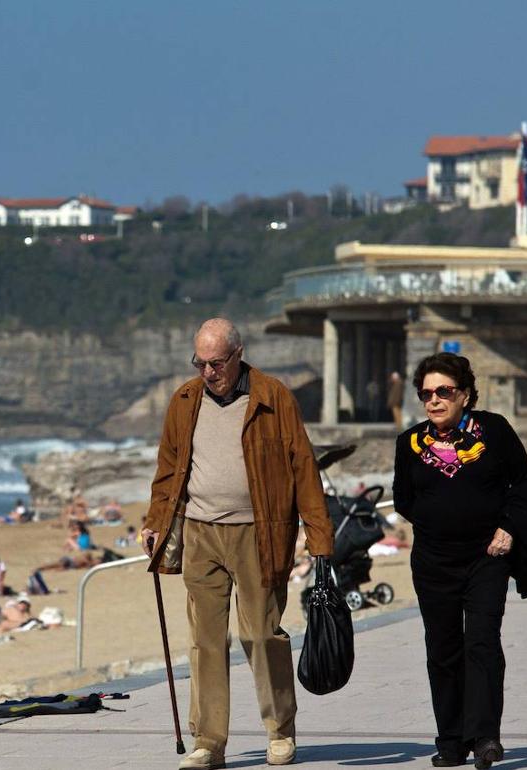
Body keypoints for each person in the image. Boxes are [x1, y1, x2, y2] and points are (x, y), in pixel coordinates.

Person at [142, 318, 334, 769]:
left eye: (217, 362)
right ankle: (208, 742)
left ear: (238, 353)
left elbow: (303, 467)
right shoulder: (185, 401)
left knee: (261, 633)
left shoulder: (273, 397)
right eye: (201, 363)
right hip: (199, 531)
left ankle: (280, 731)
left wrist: (319, 536)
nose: (208, 372)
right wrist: (155, 521)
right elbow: (169, 468)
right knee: (206, 639)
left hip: (259, 531)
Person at [392, 352, 527, 769]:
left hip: (486, 557)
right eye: (426, 394)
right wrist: (438, 523)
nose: (434, 400)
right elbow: (403, 497)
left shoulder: (494, 430)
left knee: (482, 643)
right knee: (442, 649)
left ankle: (485, 737)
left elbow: (524, 483)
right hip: (434, 562)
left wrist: (507, 527)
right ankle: (452, 740)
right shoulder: (411, 443)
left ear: (466, 394)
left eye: (444, 391)